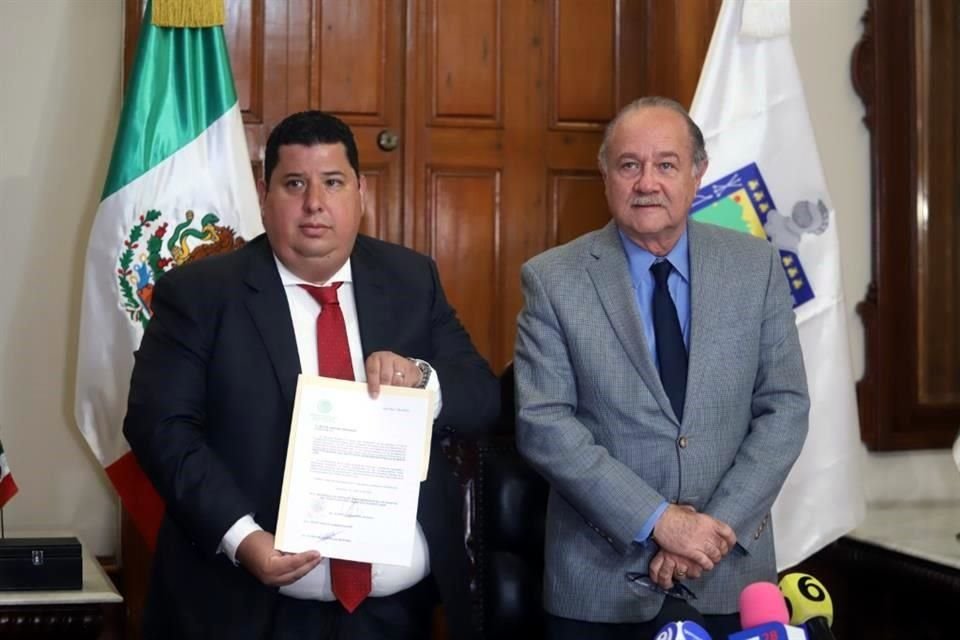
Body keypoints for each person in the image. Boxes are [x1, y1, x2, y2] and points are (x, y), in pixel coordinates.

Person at [123, 110, 499, 640]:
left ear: (361, 192)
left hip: (397, 615)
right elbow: (159, 428)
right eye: (294, 183)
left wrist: (420, 379)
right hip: (249, 610)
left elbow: (483, 398)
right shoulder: (201, 294)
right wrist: (242, 537)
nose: (314, 204)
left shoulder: (412, 279)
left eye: (333, 182)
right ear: (264, 193)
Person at [513, 96, 810, 639]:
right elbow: (545, 425)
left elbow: (784, 408)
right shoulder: (553, 280)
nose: (647, 182)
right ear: (606, 176)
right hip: (600, 589)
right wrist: (661, 522)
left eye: (666, 165)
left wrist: (712, 531)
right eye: (630, 165)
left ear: (698, 174)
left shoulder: (758, 267)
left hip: (731, 578)